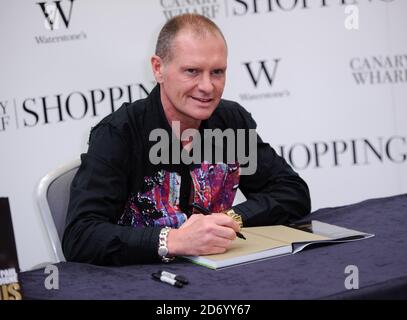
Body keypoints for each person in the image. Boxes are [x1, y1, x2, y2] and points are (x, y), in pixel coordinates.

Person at [62, 14, 311, 266]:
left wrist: (227, 219)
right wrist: (174, 240)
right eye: (192, 71)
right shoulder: (119, 132)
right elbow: (80, 236)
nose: (207, 86)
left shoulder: (231, 121)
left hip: (223, 276)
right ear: (158, 68)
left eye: (217, 72)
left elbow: (292, 192)